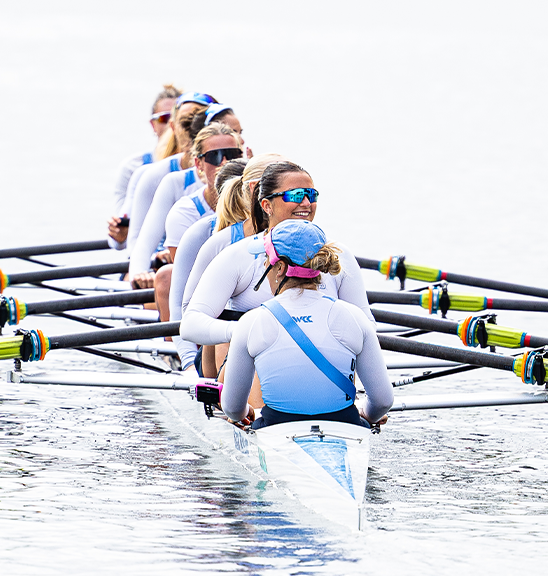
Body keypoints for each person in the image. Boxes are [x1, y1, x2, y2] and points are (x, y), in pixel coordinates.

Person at [179, 157, 372, 352]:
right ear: (267, 206)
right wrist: (250, 329)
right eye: (295, 196)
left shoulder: (340, 254)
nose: (306, 203)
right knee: (223, 345)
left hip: (319, 356)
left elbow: (366, 326)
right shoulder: (238, 255)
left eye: (311, 195)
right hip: (253, 364)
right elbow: (190, 323)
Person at [218, 220, 392, 429]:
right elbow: (383, 401)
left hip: (276, 428)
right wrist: (367, 415)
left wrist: (247, 413)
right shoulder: (355, 317)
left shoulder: (251, 322)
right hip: (345, 427)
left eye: (266, 258)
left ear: (280, 268)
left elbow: (232, 408)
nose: (264, 265)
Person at [126, 101, 243, 288]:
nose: (224, 162)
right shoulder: (172, 183)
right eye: (215, 155)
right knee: (165, 277)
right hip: (175, 271)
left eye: (233, 152)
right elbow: (140, 242)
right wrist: (139, 273)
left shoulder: (253, 185)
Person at [168, 158, 246, 369]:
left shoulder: (279, 236)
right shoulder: (202, 234)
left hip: (259, 339)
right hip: (217, 342)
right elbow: (179, 307)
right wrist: (187, 364)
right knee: (165, 276)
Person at [115, 90, 215, 252]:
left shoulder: (235, 172)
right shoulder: (147, 173)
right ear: (174, 127)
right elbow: (130, 244)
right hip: (158, 265)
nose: (193, 129)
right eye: (187, 122)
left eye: (200, 121)